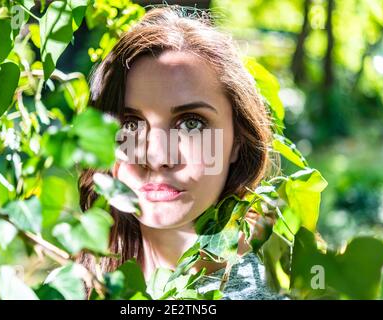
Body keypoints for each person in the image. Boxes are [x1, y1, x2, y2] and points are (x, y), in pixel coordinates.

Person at [78, 4, 281, 300]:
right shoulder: (75, 282)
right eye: (131, 124)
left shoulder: (277, 289)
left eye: (191, 123)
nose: (158, 156)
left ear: (237, 140)